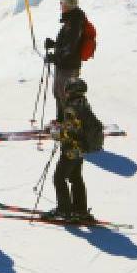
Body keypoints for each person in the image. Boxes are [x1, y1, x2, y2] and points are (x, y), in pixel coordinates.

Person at [45, 77, 101, 223]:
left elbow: (70, 132)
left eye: (67, 90)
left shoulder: (72, 108)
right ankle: (80, 210)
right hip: (82, 149)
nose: (66, 93)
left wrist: (55, 133)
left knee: (59, 178)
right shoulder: (83, 103)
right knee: (76, 178)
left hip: (71, 150)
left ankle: (64, 210)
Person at [44, 0, 85, 124]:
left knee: (66, 95)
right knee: (58, 92)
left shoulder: (75, 23)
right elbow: (67, 44)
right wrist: (54, 44)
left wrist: (54, 57)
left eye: (62, 3)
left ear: (67, 6)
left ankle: (70, 124)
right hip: (63, 65)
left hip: (69, 67)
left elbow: (70, 49)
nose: (60, 5)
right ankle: (61, 121)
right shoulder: (70, 21)